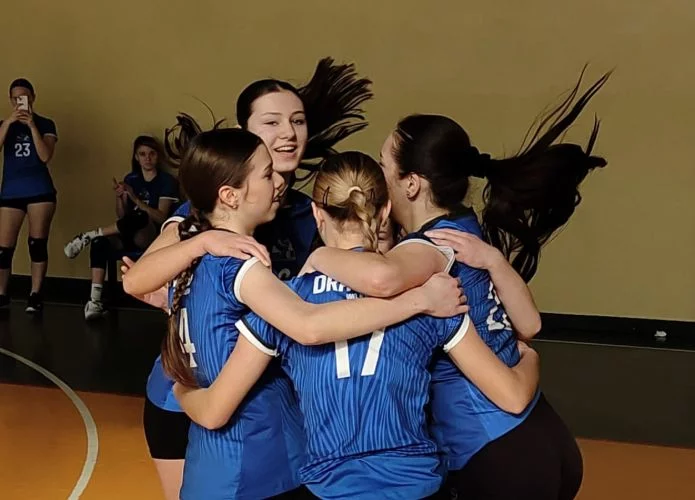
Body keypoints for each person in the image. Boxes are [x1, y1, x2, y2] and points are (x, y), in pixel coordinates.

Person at [302, 71, 610, 499]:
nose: (376, 175)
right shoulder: (467, 229)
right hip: (543, 437)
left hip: (495, 448)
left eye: (383, 165)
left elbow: (382, 277)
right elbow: (531, 326)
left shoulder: (431, 248)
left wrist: (318, 256)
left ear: (411, 184)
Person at [174, 151, 541, 499]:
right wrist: (531, 358)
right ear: (385, 211)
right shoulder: (434, 296)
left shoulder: (283, 304)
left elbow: (215, 410)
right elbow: (510, 395)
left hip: (332, 488)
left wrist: (182, 391)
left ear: (317, 214)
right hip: (416, 485)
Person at [121, 58, 374, 500]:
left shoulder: (310, 213)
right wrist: (199, 255)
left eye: (297, 121)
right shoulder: (205, 214)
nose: (288, 133)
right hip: (186, 394)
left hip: (268, 406)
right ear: (246, 134)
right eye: (272, 122)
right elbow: (139, 278)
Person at [63, 135, 178, 319]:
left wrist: (135, 199)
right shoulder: (131, 179)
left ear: (158, 156)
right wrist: (120, 197)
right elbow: (122, 217)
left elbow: (161, 217)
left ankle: (89, 235)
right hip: (129, 230)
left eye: (152, 154)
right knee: (101, 243)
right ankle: (94, 301)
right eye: (142, 154)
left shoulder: (166, 181)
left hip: (152, 235)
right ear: (136, 157)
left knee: (141, 215)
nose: (147, 158)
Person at [0, 78, 58, 312]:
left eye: (23, 97)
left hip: (39, 191)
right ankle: (2, 293)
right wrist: (9, 123)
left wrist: (32, 126)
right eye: (15, 98)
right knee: (4, 249)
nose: (19, 102)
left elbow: (45, 156)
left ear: (32, 97)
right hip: (11, 192)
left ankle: (35, 294)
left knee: (37, 244)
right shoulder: (5, 125)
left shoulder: (46, 124)